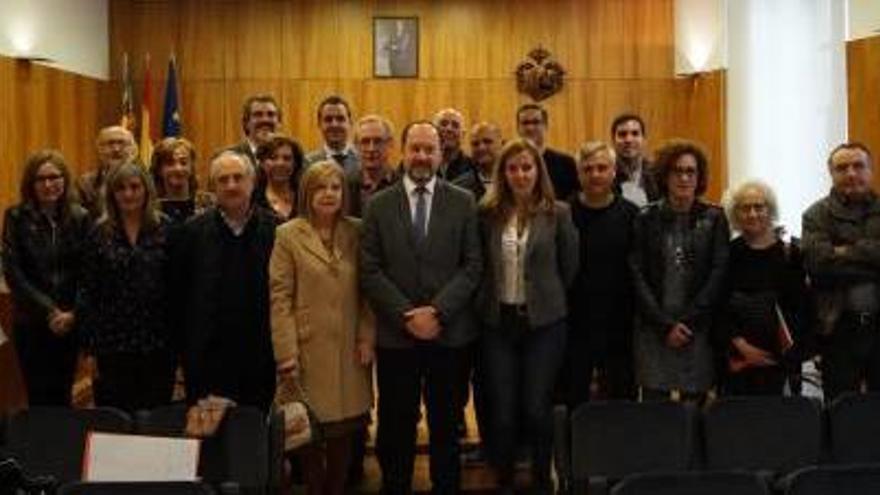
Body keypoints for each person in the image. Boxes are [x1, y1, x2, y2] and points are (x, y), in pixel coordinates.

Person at [360, 121, 482, 495]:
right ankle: (395, 484)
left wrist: (438, 312)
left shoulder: (463, 201)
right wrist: (405, 315)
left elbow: (473, 264)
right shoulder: (379, 204)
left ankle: (446, 485)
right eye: (416, 148)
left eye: (430, 149)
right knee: (396, 422)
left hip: (450, 334)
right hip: (397, 336)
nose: (422, 156)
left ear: (441, 154)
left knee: (446, 421)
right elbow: (369, 267)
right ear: (403, 150)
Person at [476, 138, 578, 494]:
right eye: (513, 168)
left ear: (539, 171)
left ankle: (540, 476)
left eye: (527, 167)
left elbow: (569, 267)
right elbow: (480, 267)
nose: (521, 174)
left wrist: (545, 299)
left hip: (545, 323)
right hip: (498, 321)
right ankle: (503, 474)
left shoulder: (558, 212)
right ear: (503, 173)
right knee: (503, 408)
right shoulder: (487, 213)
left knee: (537, 405)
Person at [270, 160, 374, 495]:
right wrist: (286, 353)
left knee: (344, 431)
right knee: (309, 433)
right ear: (306, 193)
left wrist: (367, 337)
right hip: (306, 350)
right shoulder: (287, 234)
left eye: (335, 187)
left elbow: (368, 293)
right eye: (320, 187)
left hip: (349, 349)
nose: (328, 194)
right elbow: (280, 299)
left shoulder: (357, 230)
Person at [170, 150, 277, 410]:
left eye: (238, 178)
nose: (231, 186)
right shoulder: (190, 233)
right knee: (211, 441)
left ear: (252, 182)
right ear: (212, 187)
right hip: (207, 360)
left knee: (256, 435)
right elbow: (177, 298)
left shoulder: (277, 230)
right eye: (223, 179)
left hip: (262, 356)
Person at [630, 139, 729, 403]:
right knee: (654, 408)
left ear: (700, 177)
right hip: (654, 327)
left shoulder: (715, 218)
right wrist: (664, 326)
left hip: (697, 328)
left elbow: (718, 274)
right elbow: (637, 274)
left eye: (690, 171)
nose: (684, 178)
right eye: (677, 171)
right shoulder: (644, 218)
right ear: (664, 175)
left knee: (695, 408)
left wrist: (688, 322)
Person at [78, 162, 175, 412]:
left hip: (158, 341)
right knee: (115, 416)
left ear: (147, 190)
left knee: (154, 415)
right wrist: (89, 348)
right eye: (120, 188)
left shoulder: (166, 228)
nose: (128, 194)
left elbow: (178, 286)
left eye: (135, 187)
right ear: (111, 194)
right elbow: (89, 291)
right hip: (112, 343)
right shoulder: (98, 233)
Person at [2, 150, 89, 406]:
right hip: (32, 320)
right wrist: (50, 311)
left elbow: (88, 271)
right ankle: (41, 445)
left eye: (54, 177)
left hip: (70, 321)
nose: (49, 184)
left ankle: (62, 444)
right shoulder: (16, 217)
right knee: (37, 393)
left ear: (65, 179)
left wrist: (72, 313)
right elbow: (13, 272)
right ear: (31, 184)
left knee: (64, 392)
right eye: (41, 179)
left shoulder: (80, 217)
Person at [803, 142, 880, 400]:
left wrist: (843, 251)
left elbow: (832, 261)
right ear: (832, 174)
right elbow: (819, 266)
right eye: (842, 168)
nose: (851, 173)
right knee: (839, 408)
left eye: (858, 166)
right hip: (837, 328)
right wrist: (871, 258)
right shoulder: (815, 215)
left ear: (871, 171)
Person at [721, 180, 811, 396]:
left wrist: (780, 356)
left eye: (759, 207)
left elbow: (801, 311)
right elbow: (720, 307)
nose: (753, 214)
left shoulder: (792, 255)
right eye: (745, 208)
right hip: (738, 360)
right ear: (735, 214)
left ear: (770, 210)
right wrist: (742, 348)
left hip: (781, 362)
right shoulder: (728, 254)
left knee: (779, 425)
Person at [566, 141, 639, 405]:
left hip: (619, 321)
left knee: (621, 397)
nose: (595, 174)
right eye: (588, 169)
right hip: (573, 321)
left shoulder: (632, 215)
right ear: (578, 174)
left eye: (601, 168)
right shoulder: (563, 213)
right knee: (573, 396)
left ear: (613, 171)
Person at [516, 103, 578, 201]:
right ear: (518, 128)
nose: (530, 128)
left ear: (545, 126)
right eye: (525, 123)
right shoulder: (510, 163)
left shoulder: (566, 163)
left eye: (536, 122)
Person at [150, 137, 214, 224]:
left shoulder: (210, 204)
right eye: (170, 163)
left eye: (183, 162)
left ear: (191, 168)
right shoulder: (150, 209)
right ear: (159, 170)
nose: (178, 168)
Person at [77, 126, 137, 218]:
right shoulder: (85, 184)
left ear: (133, 150)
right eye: (110, 143)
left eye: (122, 143)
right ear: (99, 149)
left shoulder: (147, 181)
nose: (116, 149)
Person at [348, 115, 397, 218]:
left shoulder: (402, 184)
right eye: (365, 142)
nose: (371, 148)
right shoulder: (345, 185)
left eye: (378, 141)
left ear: (390, 144)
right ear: (356, 146)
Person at [610, 113, 659, 206]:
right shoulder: (606, 173)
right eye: (622, 134)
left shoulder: (657, 171)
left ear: (644, 139)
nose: (628, 139)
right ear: (613, 140)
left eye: (635, 133)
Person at [254, 134, 306, 223]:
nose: (280, 163)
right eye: (273, 158)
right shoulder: (252, 199)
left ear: (295, 164)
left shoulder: (305, 196)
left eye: (287, 158)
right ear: (262, 163)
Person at [305, 95, 360, 174]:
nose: (334, 124)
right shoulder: (308, 164)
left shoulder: (362, 161)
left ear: (350, 123)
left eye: (340, 119)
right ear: (319, 124)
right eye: (328, 119)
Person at [229, 94, 282, 169]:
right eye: (258, 115)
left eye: (271, 114)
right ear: (246, 123)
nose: (265, 120)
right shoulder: (228, 156)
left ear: (279, 123)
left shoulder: (297, 158)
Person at [453, 122, 502, 200]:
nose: (481, 148)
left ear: (501, 144)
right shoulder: (458, 188)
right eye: (475, 144)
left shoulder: (515, 180)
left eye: (487, 142)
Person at [433, 108, 475, 181]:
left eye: (455, 125)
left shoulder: (473, 167)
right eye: (444, 124)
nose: (449, 129)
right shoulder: (425, 163)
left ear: (463, 134)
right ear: (433, 130)